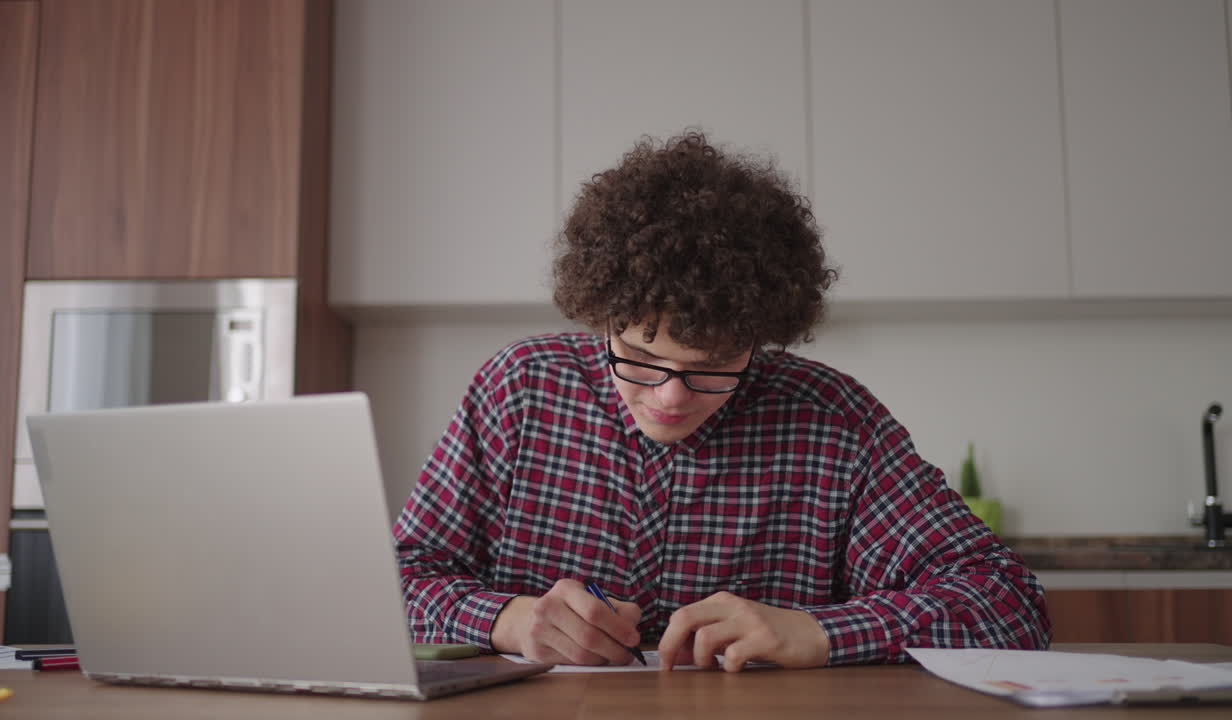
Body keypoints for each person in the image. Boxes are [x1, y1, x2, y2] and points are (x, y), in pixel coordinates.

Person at [393, 130, 1051, 672]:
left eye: (712, 366)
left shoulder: (831, 421)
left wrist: (819, 633)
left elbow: (1008, 603)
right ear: (603, 319)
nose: (671, 397)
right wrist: (510, 620)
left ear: (759, 340)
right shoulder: (522, 389)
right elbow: (394, 585)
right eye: (642, 359)